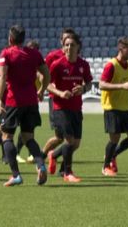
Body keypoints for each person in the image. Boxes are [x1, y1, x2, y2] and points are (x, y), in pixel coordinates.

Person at [0, 24, 50, 187]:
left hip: (14, 102)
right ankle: (40, 165)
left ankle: (16, 175)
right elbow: (46, 74)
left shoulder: (6, 53)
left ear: (10, 39)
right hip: (31, 102)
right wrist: (42, 90)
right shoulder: (35, 54)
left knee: (6, 136)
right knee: (28, 138)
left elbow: (1, 76)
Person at [45, 32, 92, 183]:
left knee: (76, 144)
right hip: (60, 108)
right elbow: (48, 85)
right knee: (69, 140)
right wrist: (60, 92)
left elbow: (90, 83)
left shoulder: (83, 65)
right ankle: (67, 172)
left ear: (78, 47)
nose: (69, 47)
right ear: (63, 48)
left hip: (76, 108)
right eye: (66, 45)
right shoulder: (57, 65)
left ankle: (53, 155)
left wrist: (83, 89)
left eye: (72, 45)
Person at [100, 36, 128, 176]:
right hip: (112, 108)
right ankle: (105, 167)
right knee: (114, 139)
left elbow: (126, 85)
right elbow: (101, 85)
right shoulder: (111, 65)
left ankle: (112, 155)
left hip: (125, 108)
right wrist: (122, 86)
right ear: (120, 49)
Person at [42, 28, 79, 160]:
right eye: (65, 40)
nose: (68, 44)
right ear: (61, 42)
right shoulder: (53, 56)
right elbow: (41, 74)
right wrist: (54, 89)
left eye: (71, 40)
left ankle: (51, 156)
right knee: (61, 137)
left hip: (72, 103)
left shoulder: (76, 58)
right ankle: (43, 155)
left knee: (70, 139)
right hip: (56, 100)